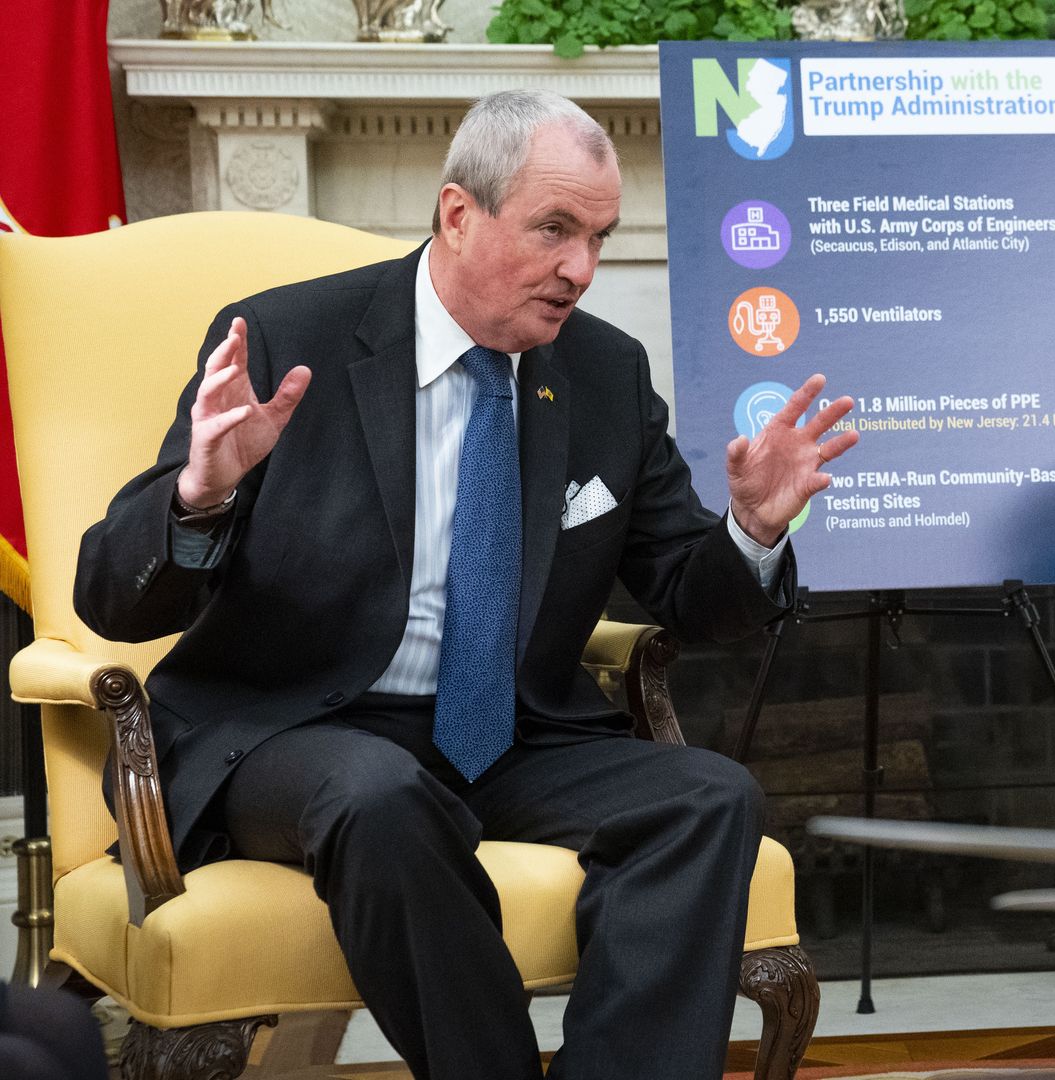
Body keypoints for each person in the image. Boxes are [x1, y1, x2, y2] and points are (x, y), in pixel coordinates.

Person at [74, 89, 855, 1080]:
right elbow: (113, 598)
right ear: (458, 214)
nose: (581, 269)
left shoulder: (605, 372)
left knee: (711, 795)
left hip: (513, 736)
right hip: (293, 729)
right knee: (377, 791)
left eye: (599, 238)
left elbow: (687, 593)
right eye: (555, 230)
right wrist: (200, 495)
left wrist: (754, 528)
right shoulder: (285, 339)